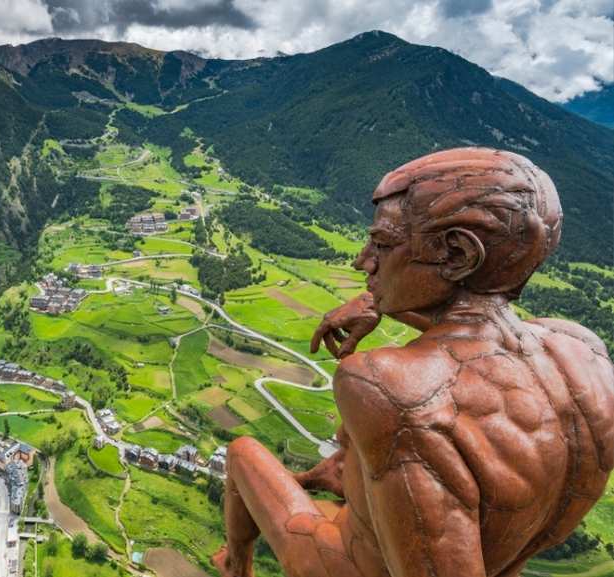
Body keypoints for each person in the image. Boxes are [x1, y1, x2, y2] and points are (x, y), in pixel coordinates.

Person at [214, 148, 614, 577]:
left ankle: (236, 567)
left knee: (242, 453)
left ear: (458, 255)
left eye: (383, 244)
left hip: (353, 565)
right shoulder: (582, 352)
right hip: (504, 560)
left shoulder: (387, 387)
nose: (363, 261)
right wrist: (379, 302)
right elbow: (479, 337)